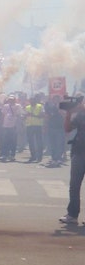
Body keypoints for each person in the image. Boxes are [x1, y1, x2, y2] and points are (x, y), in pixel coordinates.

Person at [60, 96, 85, 226]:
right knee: (74, 186)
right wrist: (68, 114)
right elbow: (68, 129)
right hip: (79, 152)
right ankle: (72, 215)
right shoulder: (80, 115)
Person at [0, 94, 23, 162]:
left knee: (13, 141)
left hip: (14, 126)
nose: (11, 101)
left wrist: (19, 125)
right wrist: (1, 124)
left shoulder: (18, 106)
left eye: (12, 100)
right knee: (6, 141)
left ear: (14, 100)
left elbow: (20, 115)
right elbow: (3, 115)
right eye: (10, 100)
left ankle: (12, 155)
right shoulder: (5, 106)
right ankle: (5, 154)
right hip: (6, 126)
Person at [24, 93, 45, 163]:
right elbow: (24, 116)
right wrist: (24, 116)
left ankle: (39, 156)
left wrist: (32, 115)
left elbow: (42, 115)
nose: (32, 101)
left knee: (39, 142)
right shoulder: (27, 107)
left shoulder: (40, 106)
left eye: (33, 100)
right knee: (31, 142)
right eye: (31, 100)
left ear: (36, 100)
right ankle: (33, 156)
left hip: (37, 126)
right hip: (29, 126)